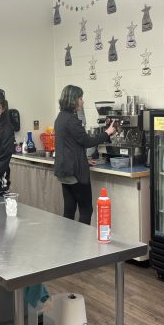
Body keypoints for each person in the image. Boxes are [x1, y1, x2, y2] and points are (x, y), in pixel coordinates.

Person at [54, 85, 115, 225]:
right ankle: (82, 244)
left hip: (64, 171)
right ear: (73, 100)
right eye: (80, 98)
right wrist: (107, 133)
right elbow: (87, 141)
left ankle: (68, 242)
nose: (82, 101)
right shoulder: (71, 120)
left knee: (69, 210)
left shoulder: (61, 117)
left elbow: (69, 146)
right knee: (86, 210)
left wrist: (84, 159)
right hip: (75, 172)